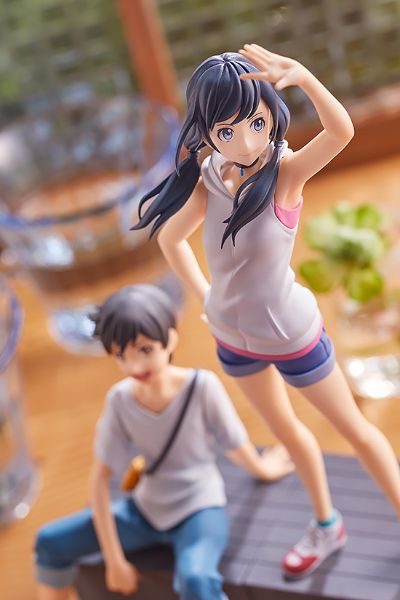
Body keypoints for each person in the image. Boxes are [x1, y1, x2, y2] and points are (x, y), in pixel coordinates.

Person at [131, 45, 400, 578]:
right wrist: (204, 296)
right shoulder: (210, 177)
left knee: (357, 432)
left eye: (257, 122)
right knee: (290, 434)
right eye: (227, 131)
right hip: (233, 340)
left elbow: (341, 131)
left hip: (293, 335)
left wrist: (304, 77)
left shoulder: (286, 172)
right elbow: (170, 239)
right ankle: (327, 525)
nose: (248, 142)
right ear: (207, 132)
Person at [34, 284, 294, 600]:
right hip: (145, 509)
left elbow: (234, 443)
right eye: (121, 355)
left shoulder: (202, 387)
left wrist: (262, 469)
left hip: (199, 509)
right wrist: (114, 561)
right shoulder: (119, 400)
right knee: (50, 541)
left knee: (196, 579)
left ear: (170, 339)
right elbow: (100, 480)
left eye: (145, 350)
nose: (135, 367)